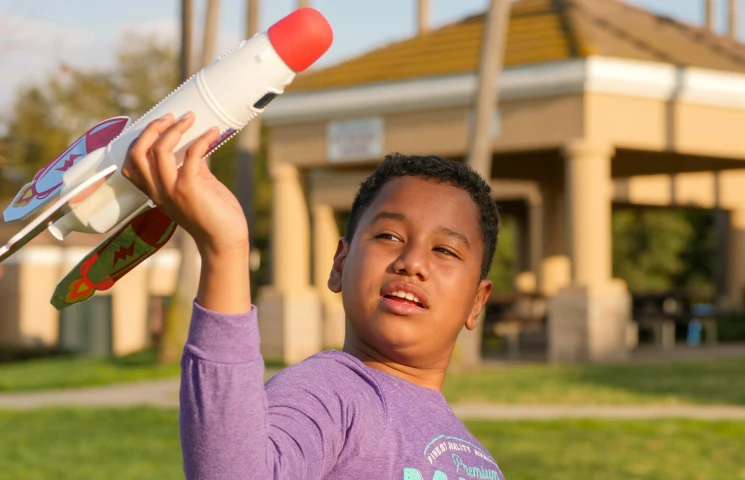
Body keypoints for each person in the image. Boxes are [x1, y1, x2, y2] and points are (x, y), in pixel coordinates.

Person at [122, 112, 505, 480]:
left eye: (445, 251)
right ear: (340, 264)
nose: (412, 262)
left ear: (477, 302)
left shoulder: (477, 457)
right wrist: (225, 249)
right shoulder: (329, 393)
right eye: (389, 236)